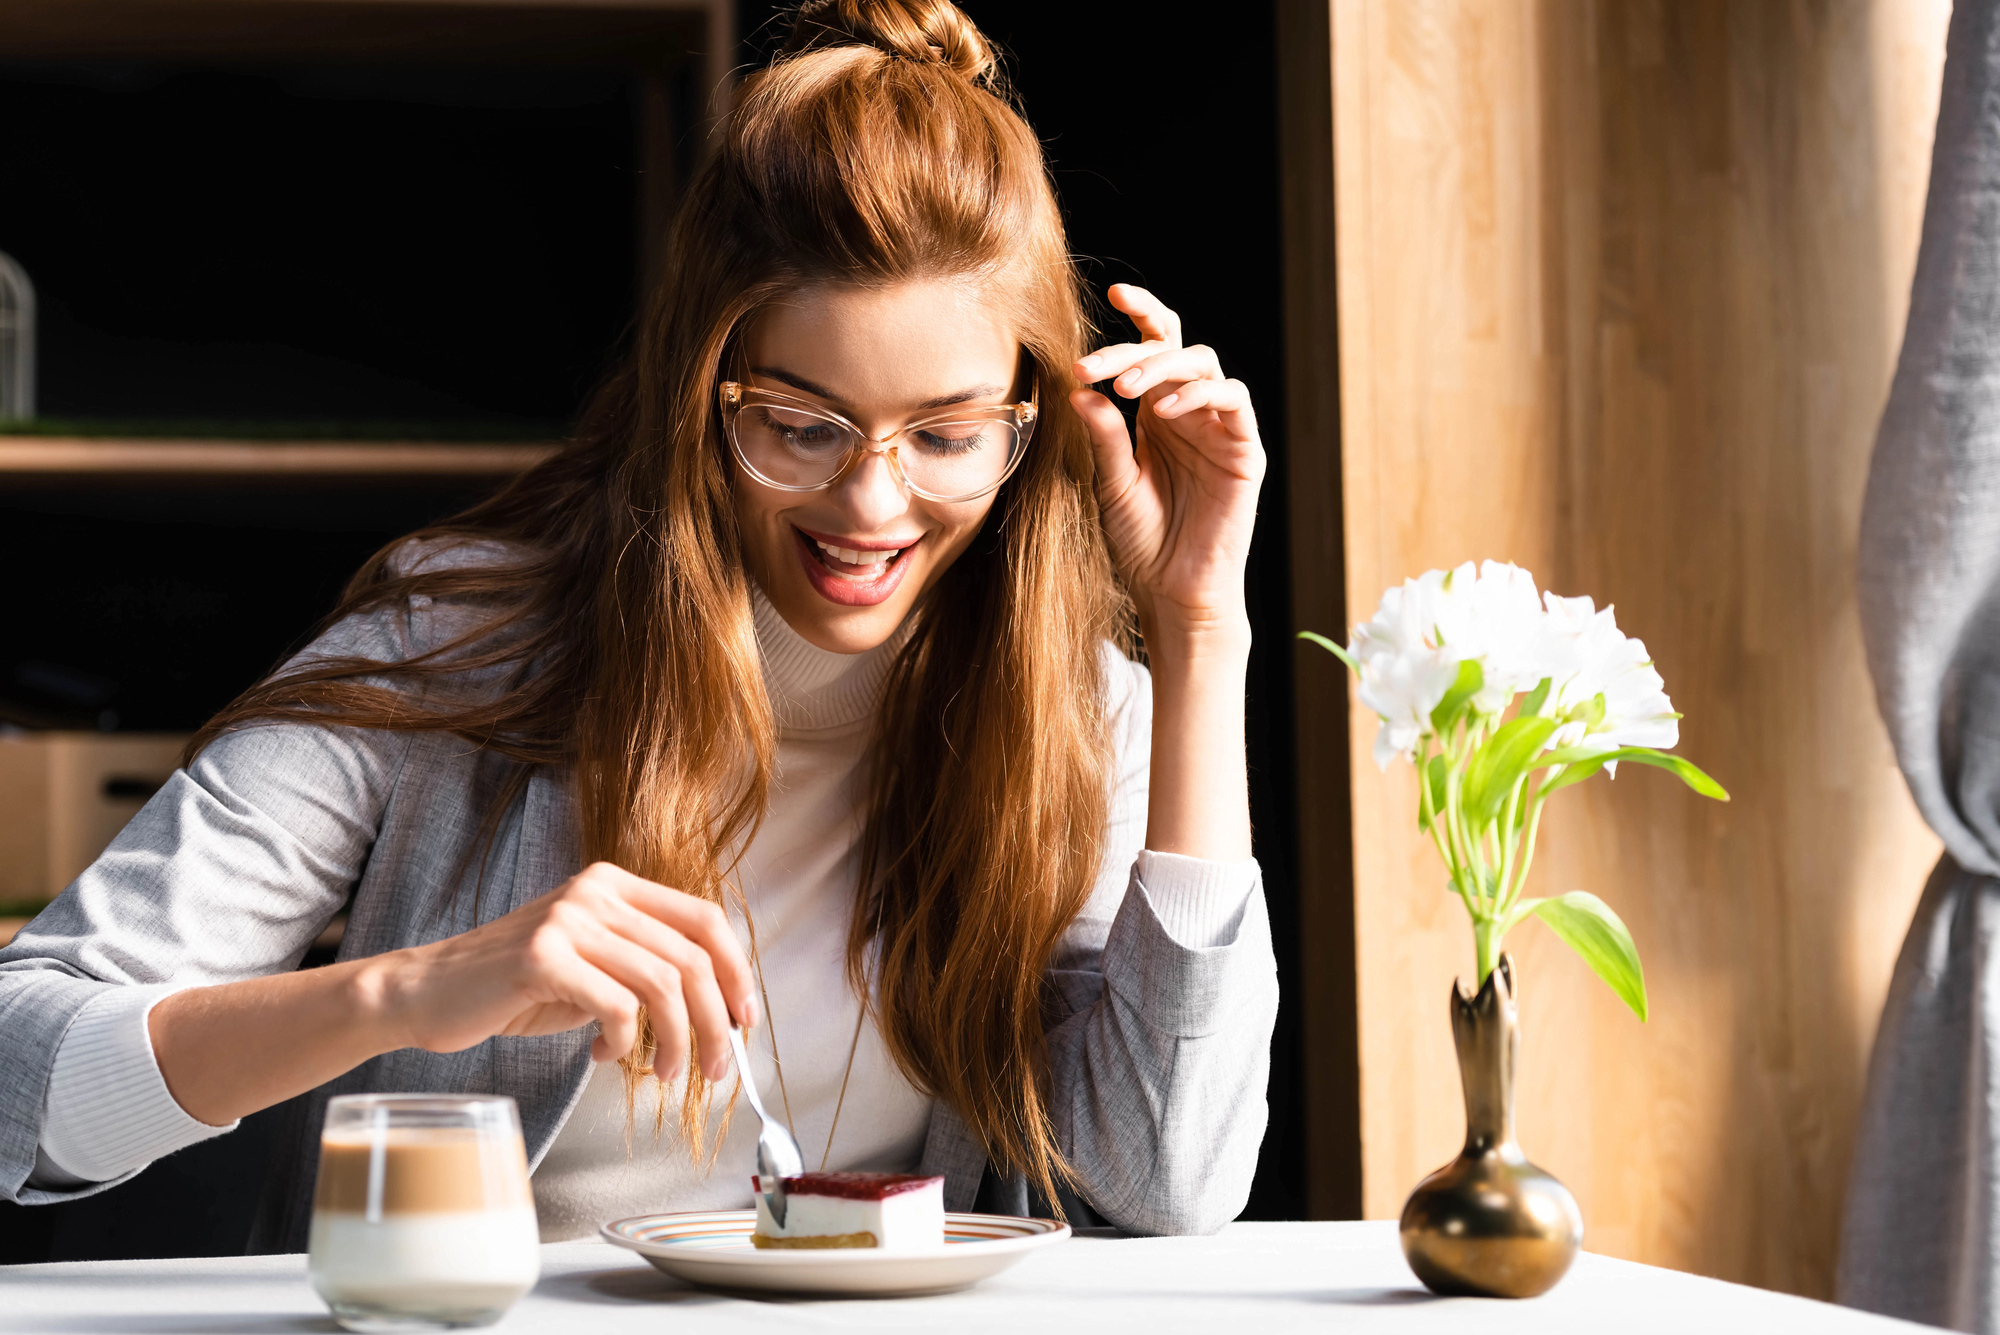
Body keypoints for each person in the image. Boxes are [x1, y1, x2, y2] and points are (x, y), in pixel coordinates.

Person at [0, 0, 1278, 1248]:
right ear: (696, 393)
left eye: (945, 436)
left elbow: (1163, 1177)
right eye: (797, 425)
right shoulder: (461, 637)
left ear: (1031, 425)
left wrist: (1197, 627)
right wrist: (409, 993)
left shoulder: (1077, 712)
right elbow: (18, 1070)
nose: (871, 503)